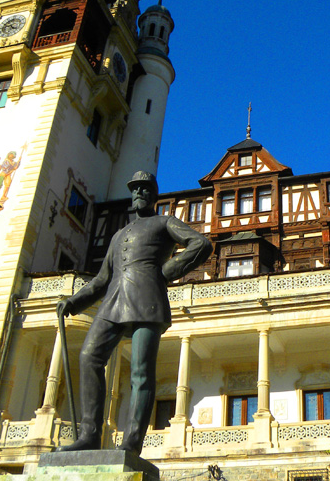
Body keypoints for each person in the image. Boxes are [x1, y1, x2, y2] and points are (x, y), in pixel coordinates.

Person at [56, 170, 212, 454]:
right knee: (89, 356)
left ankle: (131, 444)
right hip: (113, 302)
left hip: (148, 300)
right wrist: (74, 302)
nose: (139, 193)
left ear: (153, 194)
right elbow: (102, 279)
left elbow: (200, 243)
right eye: (135, 189)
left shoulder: (164, 222)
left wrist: (165, 273)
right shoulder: (118, 236)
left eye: (144, 188)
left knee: (141, 373)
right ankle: (90, 435)